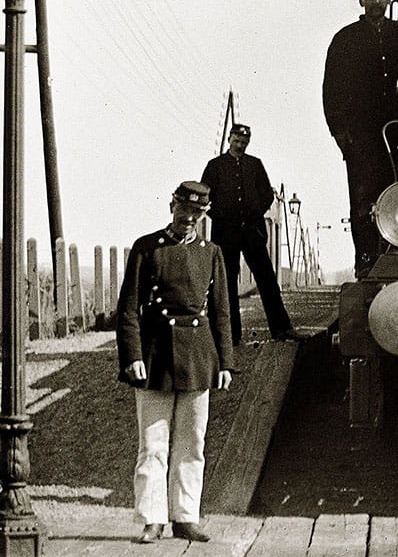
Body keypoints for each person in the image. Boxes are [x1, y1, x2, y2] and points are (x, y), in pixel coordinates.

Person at [117, 181, 235, 544]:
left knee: (192, 443)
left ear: (204, 216)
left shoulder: (211, 253)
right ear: (172, 206)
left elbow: (222, 311)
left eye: (196, 213)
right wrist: (133, 356)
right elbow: (128, 309)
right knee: (152, 444)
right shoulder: (146, 248)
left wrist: (225, 362)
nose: (188, 218)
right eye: (183, 209)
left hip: (198, 357)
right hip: (155, 356)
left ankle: (185, 517)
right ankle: (152, 519)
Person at [322, 0, 398, 274]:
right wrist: (342, 136)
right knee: (363, 202)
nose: (376, 1)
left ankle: (397, 260)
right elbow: (331, 90)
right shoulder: (345, 39)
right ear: (361, 1)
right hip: (361, 137)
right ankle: (365, 263)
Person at [200, 123, 296, 345]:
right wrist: (221, 215)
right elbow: (205, 197)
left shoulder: (255, 164)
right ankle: (229, 335)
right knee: (225, 283)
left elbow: (267, 195)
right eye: (236, 141)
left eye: (244, 142)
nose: (240, 145)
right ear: (229, 140)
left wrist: (254, 212)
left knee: (267, 280)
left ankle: (282, 329)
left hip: (253, 232)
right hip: (226, 233)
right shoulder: (215, 166)